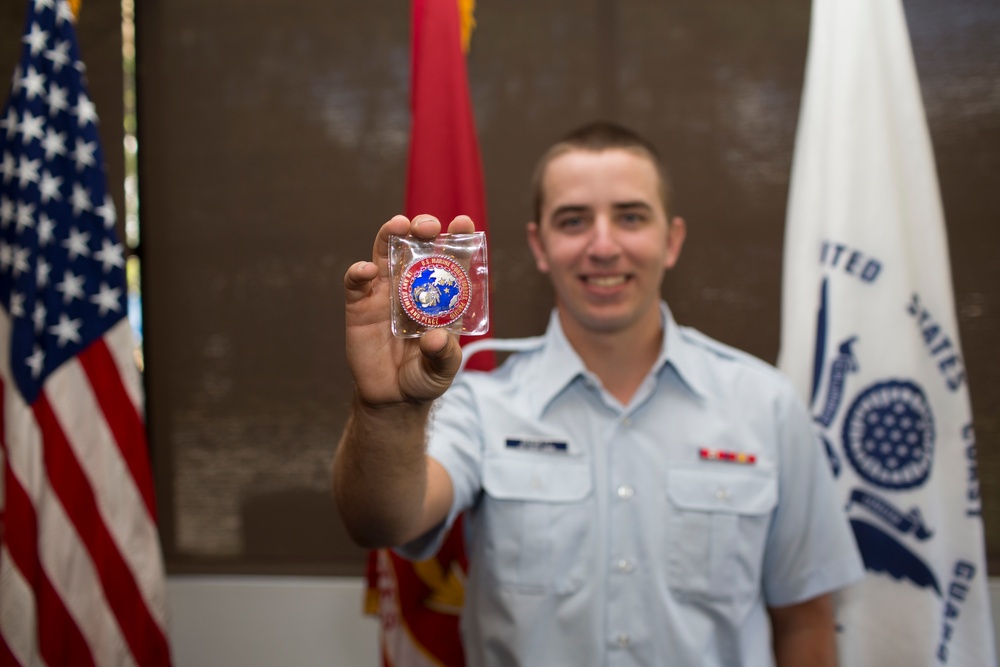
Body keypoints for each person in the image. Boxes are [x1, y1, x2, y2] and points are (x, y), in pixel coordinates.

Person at [333, 121, 864, 667]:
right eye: (573, 221)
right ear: (540, 245)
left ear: (672, 239)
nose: (603, 246)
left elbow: (805, 622)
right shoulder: (479, 403)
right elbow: (380, 522)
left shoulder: (766, 404)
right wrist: (386, 410)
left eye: (631, 217)